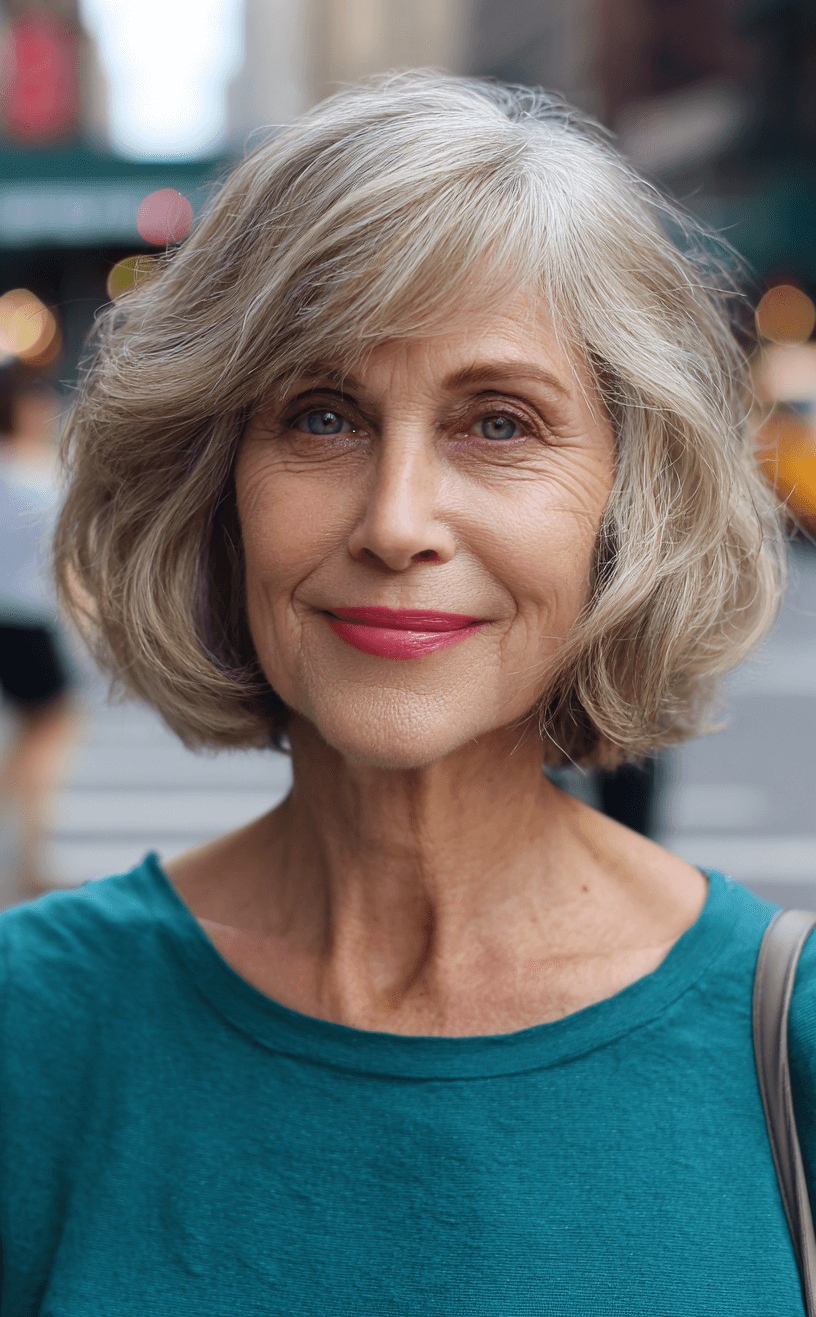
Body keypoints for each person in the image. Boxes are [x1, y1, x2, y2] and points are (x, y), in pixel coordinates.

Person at [0, 73, 809, 1313]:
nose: (396, 521)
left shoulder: (790, 1043)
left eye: (499, 423)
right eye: (322, 417)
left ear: (628, 502)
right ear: (215, 487)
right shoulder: (31, 1026)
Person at [0, 364, 83, 900]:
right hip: (29, 620)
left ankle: (29, 856)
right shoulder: (37, 473)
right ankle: (30, 858)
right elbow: (68, 555)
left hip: (10, 617)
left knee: (36, 731)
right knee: (51, 730)